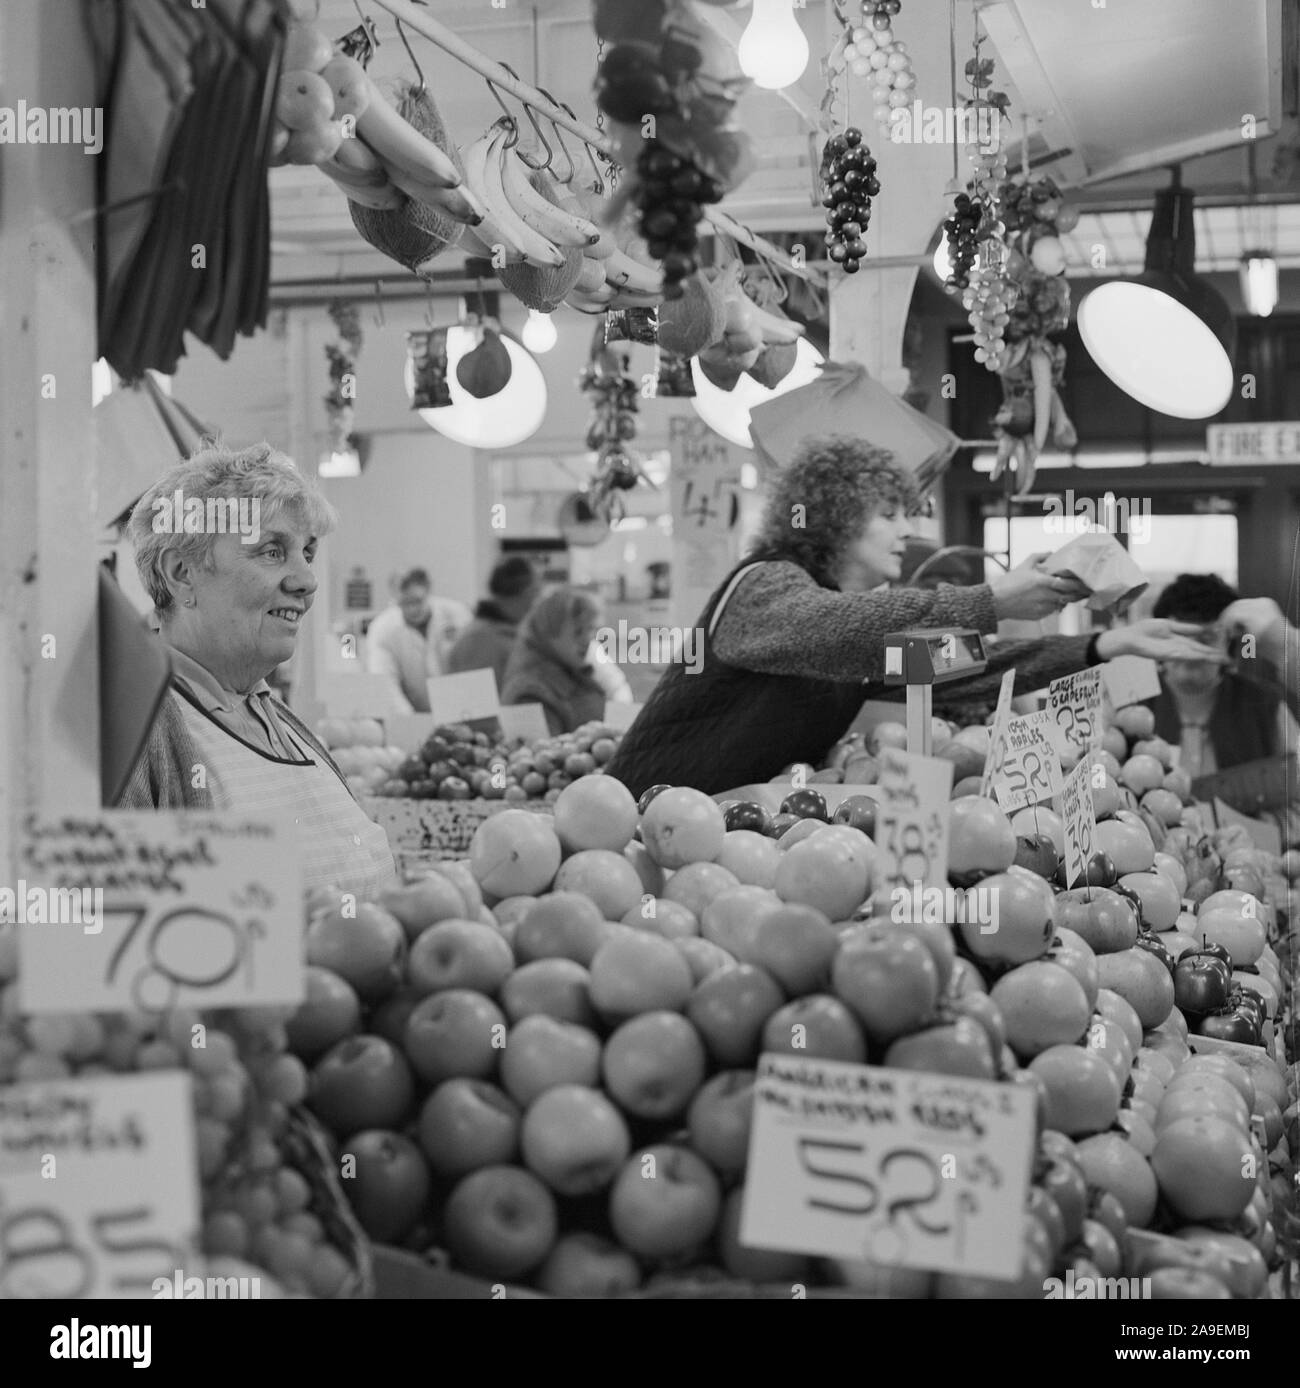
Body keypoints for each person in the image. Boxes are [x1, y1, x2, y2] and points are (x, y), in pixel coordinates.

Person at [604, 437, 1225, 797]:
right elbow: (835, 629)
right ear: (834, 516)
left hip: (719, 835)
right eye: (890, 514)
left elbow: (966, 668)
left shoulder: (869, 650)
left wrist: (1101, 648)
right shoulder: (764, 587)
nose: (909, 530)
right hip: (632, 825)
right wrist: (991, 600)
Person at [119, 443, 396, 898]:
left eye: (306, 552)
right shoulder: (132, 732)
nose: (306, 581)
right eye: (271, 551)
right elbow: (113, 933)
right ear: (182, 573)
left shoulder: (278, 719)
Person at [1143, 573, 1299, 778]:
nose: (1190, 651)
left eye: (1205, 638)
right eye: (1179, 637)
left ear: (1229, 643)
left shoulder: (1267, 706)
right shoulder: (1133, 702)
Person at [500, 587, 607, 735]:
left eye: (591, 630)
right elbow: (539, 756)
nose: (587, 640)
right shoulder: (529, 693)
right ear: (549, 631)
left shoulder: (574, 671)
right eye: (578, 631)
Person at [365, 567, 471, 713]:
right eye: (404, 603)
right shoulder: (382, 629)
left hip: (461, 708)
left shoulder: (458, 615)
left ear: (428, 592)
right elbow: (384, 681)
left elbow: (472, 667)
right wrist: (409, 720)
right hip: (412, 711)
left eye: (417, 601)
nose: (412, 609)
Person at [445, 557, 541, 688]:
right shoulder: (480, 642)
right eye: (535, 592)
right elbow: (476, 703)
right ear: (524, 593)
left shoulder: (506, 634)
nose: (537, 602)